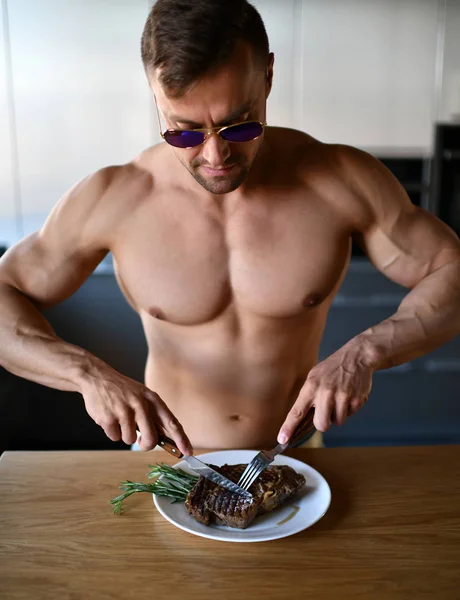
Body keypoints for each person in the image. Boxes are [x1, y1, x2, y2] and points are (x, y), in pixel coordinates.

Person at [0, 0, 459, 456]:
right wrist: (86, 374)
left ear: (268, 77)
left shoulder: (340, 181)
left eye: (238, 126)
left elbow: (449, 270)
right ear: (154, 94)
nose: (214, 158)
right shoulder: (114, 198)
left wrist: (365, 353)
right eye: (183, 131)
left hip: (293, 459)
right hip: (168, 466)